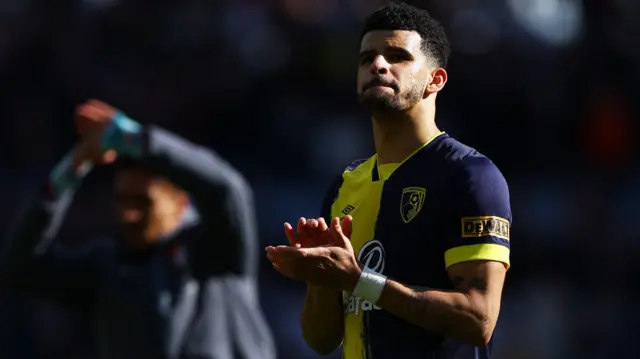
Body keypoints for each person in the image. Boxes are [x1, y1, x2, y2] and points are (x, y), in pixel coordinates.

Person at [266, 3, 511, 359]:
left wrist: (358, 280)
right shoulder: (345, 185)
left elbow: (479, 319)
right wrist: (322, 280)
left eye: (398, 56)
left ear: (435, 79)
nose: (377, 65)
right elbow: (321, 340)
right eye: (367, 58)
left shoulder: (469, 176)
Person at [2, 100, 276, 359]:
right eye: (122, 200)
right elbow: (23, 264)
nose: (128, 214)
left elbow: (227, 189)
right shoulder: (106, 267)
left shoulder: (216, 248)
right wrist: (72, 169)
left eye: (143, 202)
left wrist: (135, 140)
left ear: (179, 203)